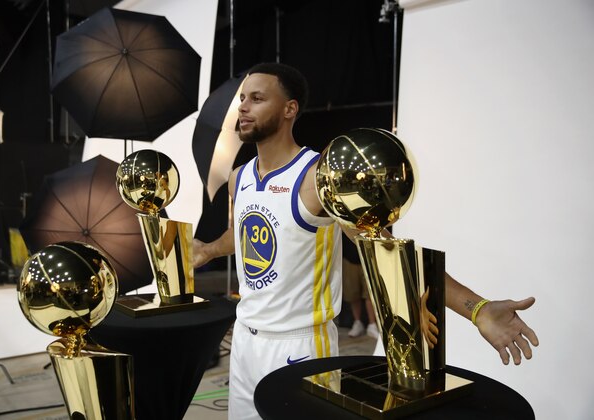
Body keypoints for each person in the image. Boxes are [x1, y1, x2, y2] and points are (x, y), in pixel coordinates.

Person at [193, 62, 539, 419]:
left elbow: (388, 253)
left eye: (258, 98)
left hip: (299, 345)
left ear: (289, 109)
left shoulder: (316, 177)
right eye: (243, 99)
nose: (244, 107)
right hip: (244, 341)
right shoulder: (240, 177)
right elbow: (242, 235)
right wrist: (207, 250)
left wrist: (477, 309)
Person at [341, 234, 378, 338]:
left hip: (369, 255)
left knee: (370, 292)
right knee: (352, 292)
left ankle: (372, 324)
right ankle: (357, 322)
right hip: (350, 257)